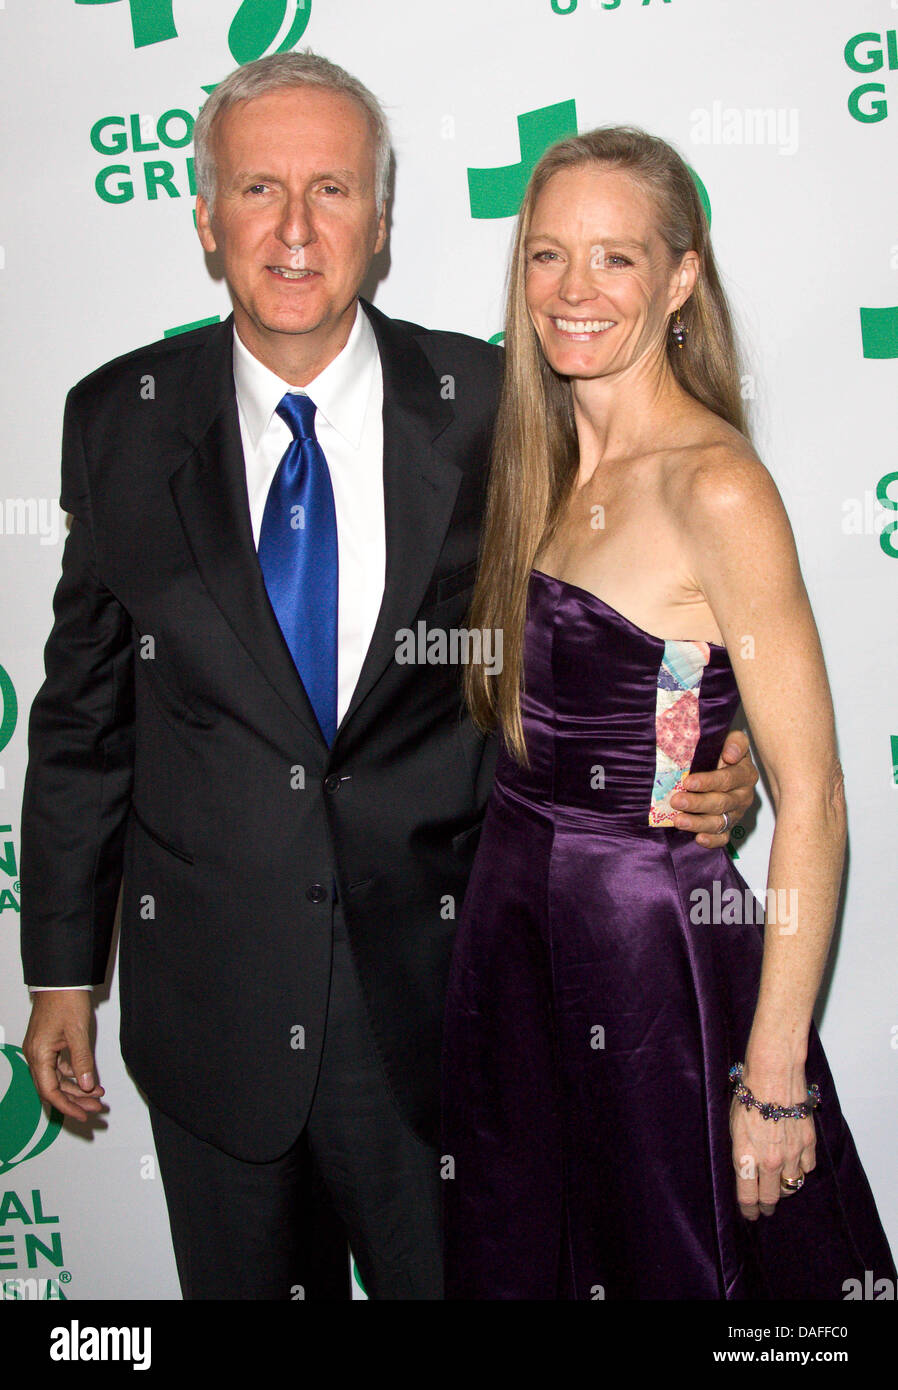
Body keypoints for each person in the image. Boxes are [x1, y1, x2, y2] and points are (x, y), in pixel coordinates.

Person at [19, 59, 758, 1302]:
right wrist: (58, 973)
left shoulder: (493, 407)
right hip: (210, 1011)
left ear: (381, 220)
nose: (295, 229)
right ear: (206, 220)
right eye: (258, 188)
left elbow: (615, 615)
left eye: (331, 189)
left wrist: (700, 755)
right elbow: (84, 720)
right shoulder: (119, 423)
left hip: (451, 1000)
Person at [441, 126, 897, 1300]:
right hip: (510, 927)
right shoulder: (540, 459)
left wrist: (775, 1073)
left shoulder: (718, 485)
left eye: (614, 259)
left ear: (681, 275)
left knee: (675, 1262)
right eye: (547, 257)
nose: (573, 293)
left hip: (644, 947)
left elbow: (819, 803)